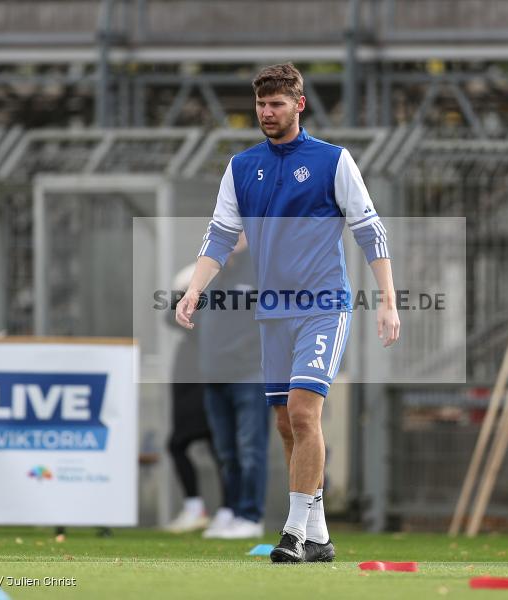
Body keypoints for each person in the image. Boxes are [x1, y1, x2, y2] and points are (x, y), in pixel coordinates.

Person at [176, 63, 400, 562]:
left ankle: (294, 532)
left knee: (303, 411)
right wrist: (194, 290)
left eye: (276, 104)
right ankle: (318, 535)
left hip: (324, 305)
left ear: (299, 105)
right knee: (285, 423)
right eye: (260, 104)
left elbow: (370, 229)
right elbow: (218, 237)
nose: (266, 112)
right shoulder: (241, 167)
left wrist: (387, 299)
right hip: (272, 311)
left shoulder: (333, 161)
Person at [198, 233, 267, 539]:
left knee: (251, 450)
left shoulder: (262, 267)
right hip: (214, 375)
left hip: (250, 374)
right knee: (227, 453)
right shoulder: (211, 268)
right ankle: (233, 511)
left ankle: (251, 516)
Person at [163, 265, 224, 533]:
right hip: (189, 378)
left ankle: (220, 510)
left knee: (188, 444)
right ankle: (216, 509)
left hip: (205, 379)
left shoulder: (215, 300)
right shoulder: (193, 279)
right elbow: (169, 317)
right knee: (212, 447)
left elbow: (177, 318)